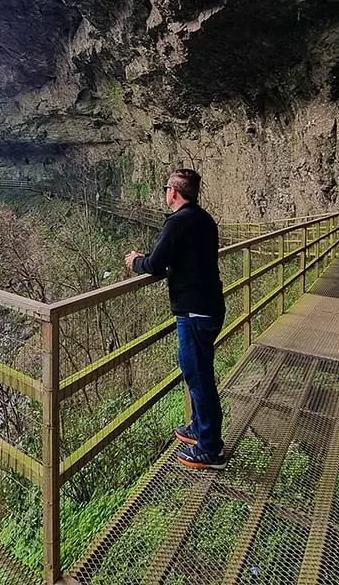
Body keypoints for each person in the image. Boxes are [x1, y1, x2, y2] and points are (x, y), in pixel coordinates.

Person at [124, 168, 227, 470]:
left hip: (194, 311)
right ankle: (198, 427)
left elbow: (156, 264)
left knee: (199, 379)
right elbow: (186, 258)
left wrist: (135, 262)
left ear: (173, 192)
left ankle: (210, 449)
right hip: (209, 306)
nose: (165, 192)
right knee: (199, 373)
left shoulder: (177, 222)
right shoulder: (203, 219)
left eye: (166, 187)